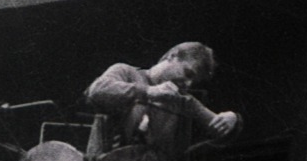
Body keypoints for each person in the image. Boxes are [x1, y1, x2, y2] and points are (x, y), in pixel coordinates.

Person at [84, 42, 241, 154]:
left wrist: (233, 119)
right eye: (188, 73)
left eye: (194, 81)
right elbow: (96, 90)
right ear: (172, 56)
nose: (188, 83)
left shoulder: (181, 100)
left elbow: (218, 127)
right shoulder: (125, 72)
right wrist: (149, 91)